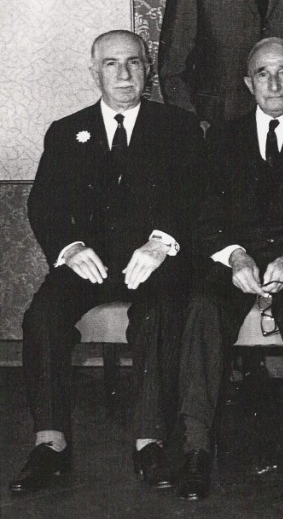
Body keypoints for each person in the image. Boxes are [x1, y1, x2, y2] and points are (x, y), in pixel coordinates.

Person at [9, 31, 201, 494]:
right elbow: (44, 204)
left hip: (153, 262)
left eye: (133, 62)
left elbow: (195, 198)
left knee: (161, 313)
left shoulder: (179, 126)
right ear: (94, 71)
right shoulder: (66, 130)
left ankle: (150, 441)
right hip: (89, 263)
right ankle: (50, 442)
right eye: (111, 64)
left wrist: (161, 243)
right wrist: (71, 248)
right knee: (42, 317)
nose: (124, 74)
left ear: (147, 69)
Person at [176, 37, 283, 502]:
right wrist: (235, 256)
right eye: (262, 74)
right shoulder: (222, 138)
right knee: (203, 305)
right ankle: (196, 448)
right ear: (248, 84)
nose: (273, 83)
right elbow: (203, 217)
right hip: (237, 263)